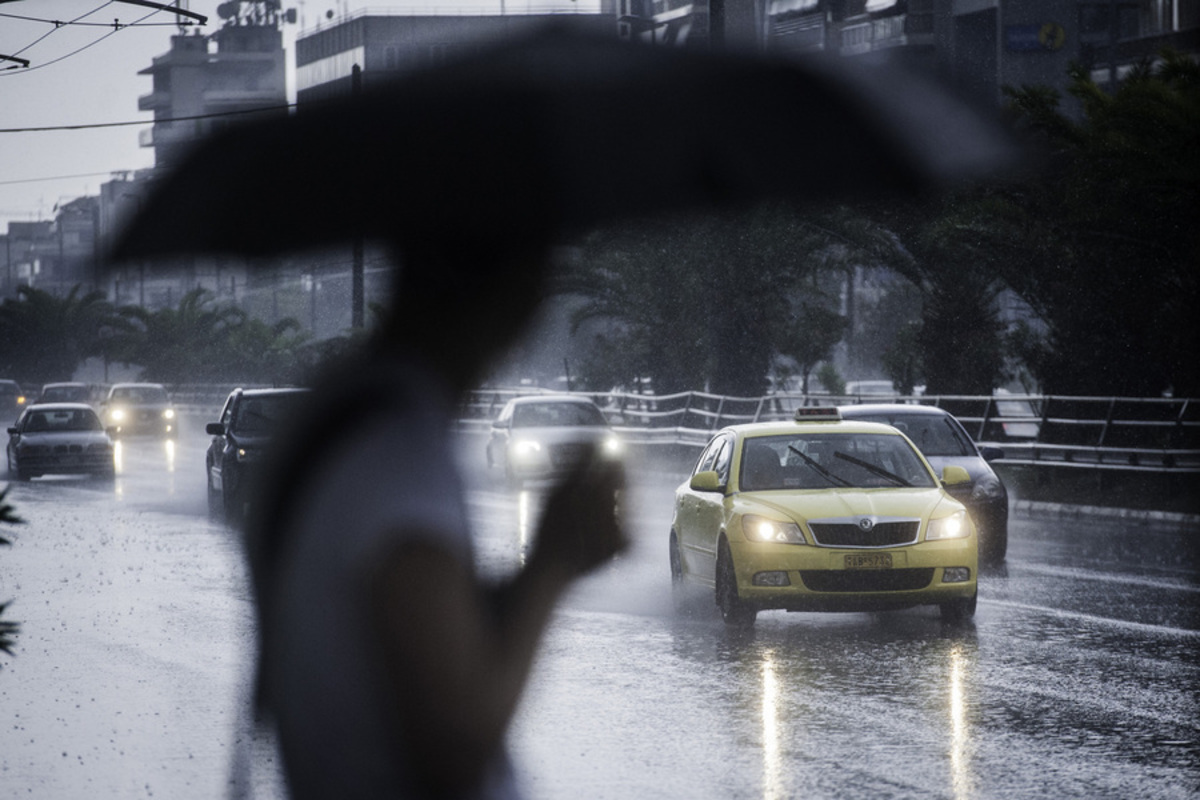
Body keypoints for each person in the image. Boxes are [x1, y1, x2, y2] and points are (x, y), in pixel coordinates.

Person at [242, 243, 627, 800]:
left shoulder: (337, 414)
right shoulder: (400, 452)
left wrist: (528, 579)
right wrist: (554, 560)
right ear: (512, 296)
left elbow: (415, 638)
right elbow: (455, 748)